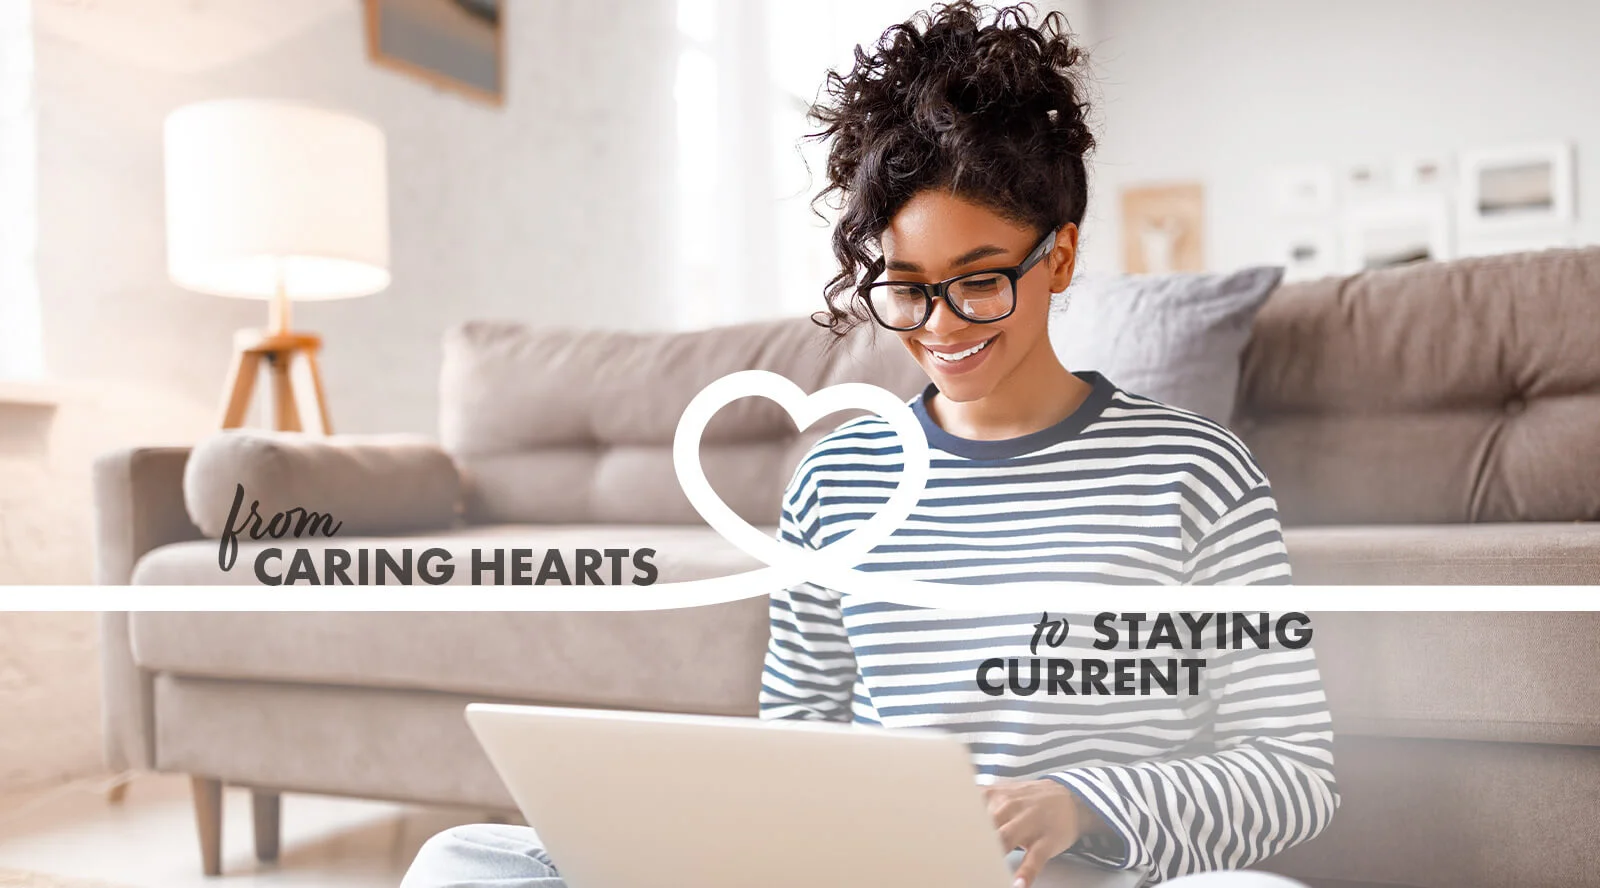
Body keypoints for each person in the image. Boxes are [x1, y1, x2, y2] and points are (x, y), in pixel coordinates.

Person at [400, 4, 1336, 887]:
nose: (940, 325)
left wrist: (1078, 804)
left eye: (979, 281)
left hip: (1100, 875)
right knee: (465, 860)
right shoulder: (838, 481)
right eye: (906, 287)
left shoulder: (1195, 472)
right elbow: (797, 745)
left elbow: (1293, 773)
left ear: (1057, 258)